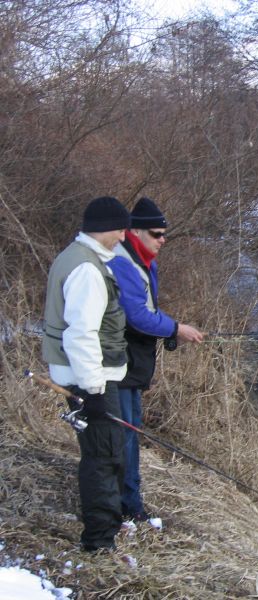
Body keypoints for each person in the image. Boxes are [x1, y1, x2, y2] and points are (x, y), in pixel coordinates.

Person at [42, 196, 131, 552]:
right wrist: (94, 391)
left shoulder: (73, 256)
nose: (123, 238)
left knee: (103, 453)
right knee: (104, 457)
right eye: (120, 230)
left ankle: (107, 526)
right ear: (104, 228)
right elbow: (81, 334)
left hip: (81, 376)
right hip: (89, 380)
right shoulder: (87, 270)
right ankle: (99, 541)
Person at [107, 197, 203, 522]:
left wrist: (172, 331)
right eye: (157, 234)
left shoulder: (144, 261)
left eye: (164, 234)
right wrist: (175, 328)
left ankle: (129, 504)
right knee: (123, 436)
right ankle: (127, 508)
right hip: (118, 365)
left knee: (129, 431)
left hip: (132, 364)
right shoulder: (123, 262)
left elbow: (146, 312)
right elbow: (136, 316)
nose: (163, 240)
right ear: (135, 231)